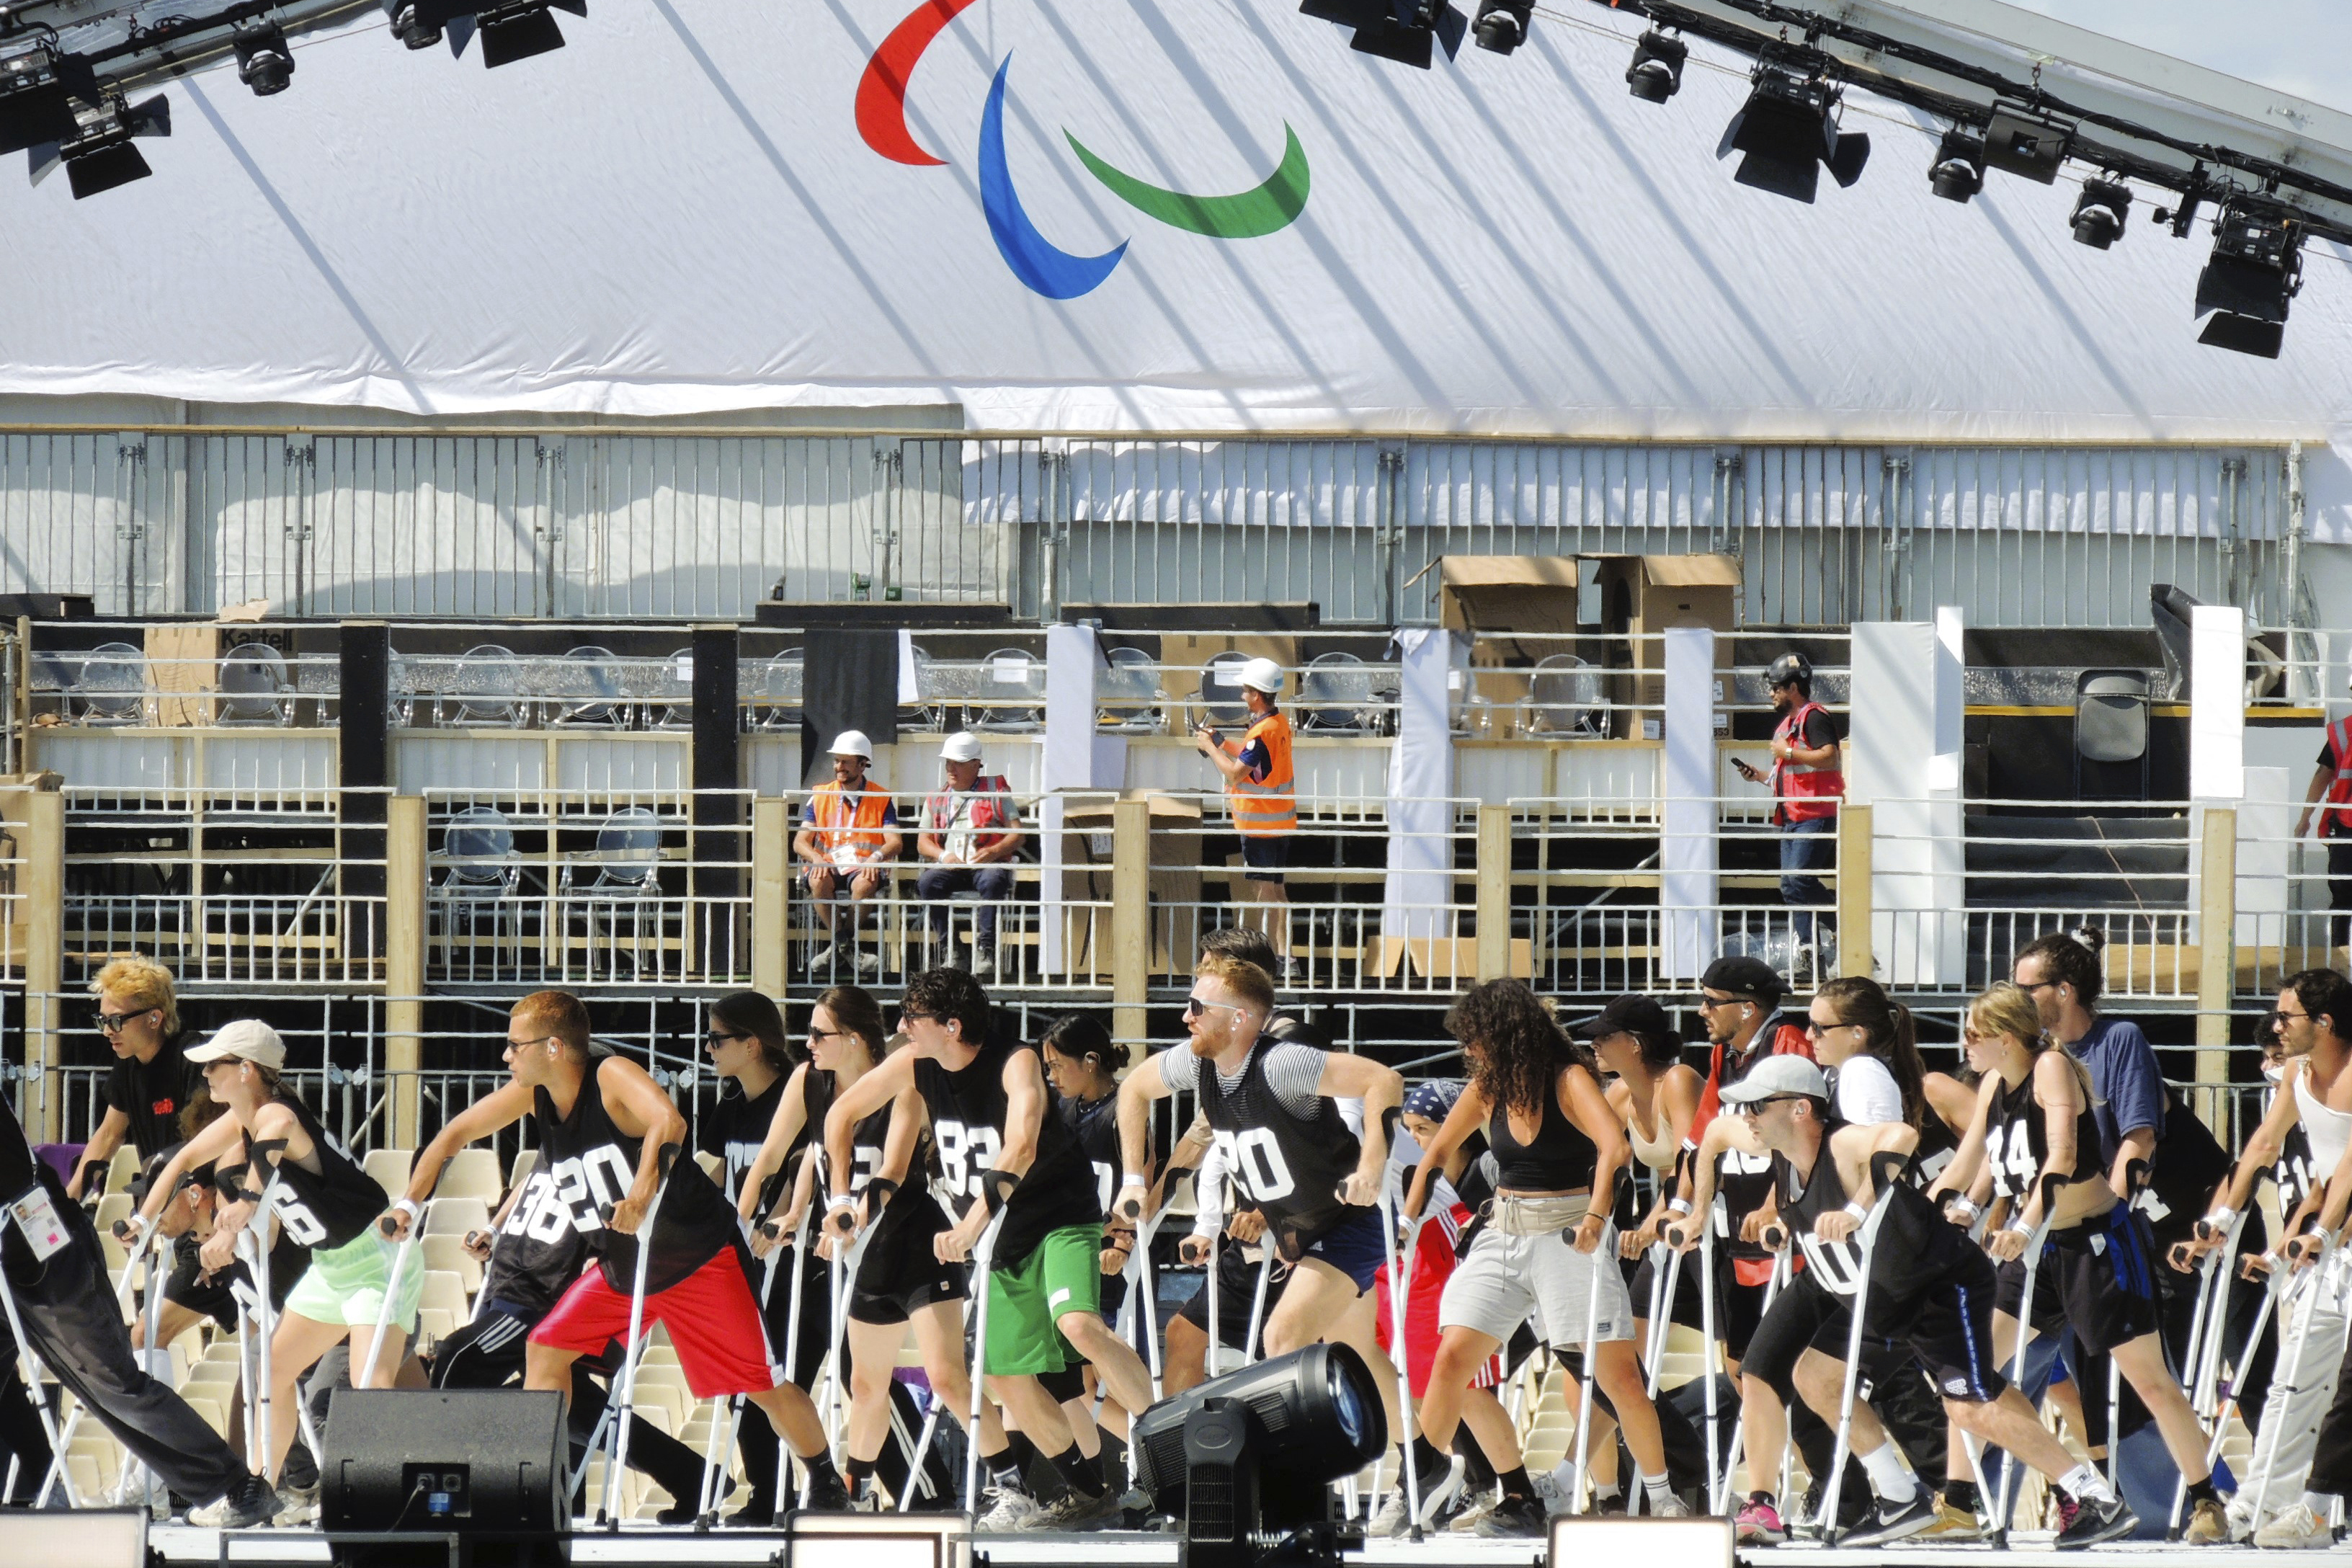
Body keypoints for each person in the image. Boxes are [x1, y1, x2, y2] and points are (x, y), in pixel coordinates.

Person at [384, 990, 850, 1512]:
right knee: (546, 1348)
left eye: (516, 1045)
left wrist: (640, 1196)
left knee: (762, 1384)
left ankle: (825, 1478)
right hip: (626, 1269)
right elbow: (453, 1134)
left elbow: (670, 1123)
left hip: (697, 1261)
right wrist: (408, 1203)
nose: (506, 1055)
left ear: (554, 1047)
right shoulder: (533, 1095)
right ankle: (538, 1484)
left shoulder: (609, 1076)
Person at [1673, 1054, 2140, 1549]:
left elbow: (1901, 1136)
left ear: (1799, 1109)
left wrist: (1858, 1208)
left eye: (1757, 1106)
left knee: (1969, 1407)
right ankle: (1900, 1497)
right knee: (1815, 1376)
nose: (1747, 1117)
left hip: (1940, 1287)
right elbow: (1714, 1135)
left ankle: (2094, 1498)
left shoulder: (1841, 1144)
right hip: (1881, 1298)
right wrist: (1697, 1213)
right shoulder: (1776, 1147)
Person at [822, 968, 1152, 1530]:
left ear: (951, 1026)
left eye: (912, 1017)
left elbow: (1021, 1146)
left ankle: (1166, 1436)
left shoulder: (1015, 1061)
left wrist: (971, 1226)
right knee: (1002, 1376)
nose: (901, 1027)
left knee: (1077, 1324)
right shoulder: (915, 1063)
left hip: (1057, 1219)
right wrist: (840, 1198)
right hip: (1002, 1238)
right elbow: (840, 1115)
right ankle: (1088, 1492)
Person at [1117, 957, 1420, 1520]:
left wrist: (1372, 1165)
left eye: (1197, 1007)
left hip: (1346, 1224)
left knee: (1283, 1339)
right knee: (1360, 1354)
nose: (1185, 1017)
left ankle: (1297, 1499)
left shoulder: (1281, 1065)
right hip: (1297, 1233)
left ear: (1238, 1019)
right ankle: (1426, 1461)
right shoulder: (1198, 1064)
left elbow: (1384, 1079)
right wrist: (1134, 1178)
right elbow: (1134, 1088)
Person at [1933, 981, 2230, 1545]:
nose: (1964, 1045)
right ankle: (1960, 1500)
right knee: (1970, 1369)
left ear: (2005, 1037)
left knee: (2149, 1380)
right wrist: (1945, 1212)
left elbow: (2063, 1155)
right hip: (2038, 1251)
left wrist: (2023, 1225)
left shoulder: (2050, 1068)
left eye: (1972, 1034)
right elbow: (1983, 1161)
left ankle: (2204, 1499)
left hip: (2094, 1244)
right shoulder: (1993, 1083)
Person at [1403, 981, 1683, 1532]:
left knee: (1619, 1378)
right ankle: (1418, 1482)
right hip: (1503, 1232)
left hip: (1567, 1232)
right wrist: (1407, 1224)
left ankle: (1662, 1495)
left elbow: (1615, 1147)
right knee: (1452, 1356)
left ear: (1505, 1035)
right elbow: (1436, 1153)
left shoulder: (1568, 1077)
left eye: (1476, 1038)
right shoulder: (1488, 1086)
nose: (1469, 1050)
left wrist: (1597, 1217)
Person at [125, 1020, 422, 1518]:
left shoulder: (278, 1114)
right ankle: (258, 1491)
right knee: (274, 1372)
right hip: (332, 1266)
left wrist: (244, 1206)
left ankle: (384, 1502)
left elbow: (274, 1142)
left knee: (371, 1380)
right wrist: (141, 1221)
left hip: (377, 1258)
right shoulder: (241, 1121)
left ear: (246, 1070)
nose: (205, 1075)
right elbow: (181, 1160)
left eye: (214, 1066)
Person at [0, 1084, 272, 1527]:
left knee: (112, 1381)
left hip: (37, 1238)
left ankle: (232, 1485)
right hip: (27, 1231)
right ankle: (41, 1484)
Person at [750, 984, 974, 1514]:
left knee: (904, 1377)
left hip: (895, 1243)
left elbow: (891, 1171)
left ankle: (930, 1492)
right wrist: (766, 1217)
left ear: (852, 1038)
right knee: (793, 1371)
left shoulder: (900, 1083)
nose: (806, 1044)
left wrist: (848, 1221)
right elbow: (793, 1154)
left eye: (817, 1033)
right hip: (832, 1249)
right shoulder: (810, 1081)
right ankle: (818, 1490)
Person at [2179, 971, 2350, 1545]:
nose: (2276, 1028)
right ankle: (2258, 1504)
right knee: (2292, 1381)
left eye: (2286, 1017)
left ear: (2324, 1022)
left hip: (2338, 1237)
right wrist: (2221, 1221)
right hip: (2335, 1252)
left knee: (2346, 1388)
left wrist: (2321, 1232)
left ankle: (2318, 1509)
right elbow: (2264, 1146)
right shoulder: (2299, 1075)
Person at [694, 989, 810, 1523]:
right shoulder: (732, 1106)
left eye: (717, 1039)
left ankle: (920, 1491)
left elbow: (799, 1164)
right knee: (751, 1378)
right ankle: (768, 1495)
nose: (709, 1049)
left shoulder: (794, 1094)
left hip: (795, 1261)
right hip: (745, 1258)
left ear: (752, 1044)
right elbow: (714, 1171)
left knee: (789, 1379)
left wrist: (773, 1217)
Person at [1040, 1012, 1153, 1461]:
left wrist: (1122, 1241)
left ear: (1089, 1061)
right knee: (1079, 1383)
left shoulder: (1125, 1108)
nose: (1051, 1076)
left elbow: (1142, 1180)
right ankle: (1146, 1450)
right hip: (1073, 1247)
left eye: (1057, 1065)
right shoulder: (1063, 1108)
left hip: (1111, 1252)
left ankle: (1156, 1442)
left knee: (1109, 1367)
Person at [1732, 651, 1841, 978]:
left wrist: (1789, 751)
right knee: (1791, 886)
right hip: (1794, 816)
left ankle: (1844, 926)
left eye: (1776, 687)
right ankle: (1809, 954)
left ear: (1793, 688)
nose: (1771, 693)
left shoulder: (1813, 717)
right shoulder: (1786, 726)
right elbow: (1788, 775)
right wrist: (1760, 776)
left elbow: (1830, 756)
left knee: (1799, 880)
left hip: (1816, 813)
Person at [1194, 656, 1296, 979]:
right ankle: (1286, 956)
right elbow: (1257, 759)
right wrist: (1224, 742)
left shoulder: (1261, 732)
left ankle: (1273, 960)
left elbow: (1236, 774)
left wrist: (1211, 748)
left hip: (1259, 825)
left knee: (1265, 893)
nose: (1242, 696)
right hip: (1278, 823)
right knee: (1277, 891)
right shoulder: (1277, 724)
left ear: (1257, 695)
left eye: (1246, 691)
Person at [68, 956, 198, 1201]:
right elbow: (110, 1135)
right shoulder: (128, 1062)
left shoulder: (192, 1057)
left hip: (195, 1198)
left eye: (117, 1021)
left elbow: (206, 1143)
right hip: (156, 1197)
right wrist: (68, 1202)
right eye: (103, 1021)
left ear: (154, 1018)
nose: (108, 1032)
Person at [796, 729, 903, 977]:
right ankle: (847, 947)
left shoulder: (881, 797)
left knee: (865, 882)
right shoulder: (821, 795)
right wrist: (816, 858)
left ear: (863, 765)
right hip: (828, 864)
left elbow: (895, 842)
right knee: (817, 880)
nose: (838, 767)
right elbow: (800, 841)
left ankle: (839, 946)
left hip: (864, 866)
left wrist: (876, 858)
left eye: (845, 762)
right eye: (837, 761)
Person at [917, 731, 1023, 974]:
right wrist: (944, 856)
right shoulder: (936, 799)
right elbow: (923, 843)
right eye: (948, 762)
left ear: (976, 764)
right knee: (927, 883)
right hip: (951, 865)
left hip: (986, 864)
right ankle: (951, 947)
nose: (951, 768)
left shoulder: (996, 792)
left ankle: (986, 948)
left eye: (959, 763)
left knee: (994, 880)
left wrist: (993, 852)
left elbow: (1018, 834)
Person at [2294, 676, 2352, 950]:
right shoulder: (2343, 731)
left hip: (2345, 826)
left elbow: (2323, 775)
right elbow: (2323, 775)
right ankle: (2341, 955)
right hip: (2345, 825)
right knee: (2343, 896)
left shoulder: (2343, 731)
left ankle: (2340, 956)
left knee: (2343, 896)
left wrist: (2305, 819)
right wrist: (2305, 818)